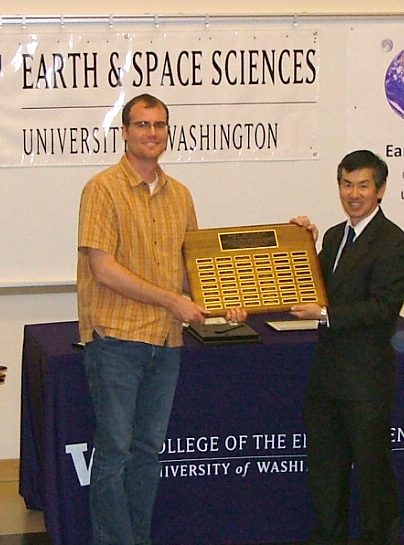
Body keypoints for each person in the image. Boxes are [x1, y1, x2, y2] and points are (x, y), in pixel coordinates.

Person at [76, 93, 247, 545]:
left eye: (160, 125)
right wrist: (172, 301)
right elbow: (103, 268)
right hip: (116, 339)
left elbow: (192, 274)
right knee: (114, 455)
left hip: (166, 343)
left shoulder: (181, 196)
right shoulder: (102, 189)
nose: (152, 133)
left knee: (148, 452)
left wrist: (229, 299)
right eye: (142, 124)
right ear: (126, 131)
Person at [289, 149, 404, 545]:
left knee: (373, 473)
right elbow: (320, 283)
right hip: (327, 378)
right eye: (346, 184)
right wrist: (301, 244)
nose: (353, 194)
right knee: (326, 472)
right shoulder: (333, 235)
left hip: (365, 382)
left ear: (380, 190)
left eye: (363, 185)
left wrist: (324, 313)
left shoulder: (393, 242)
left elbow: (382, 308)